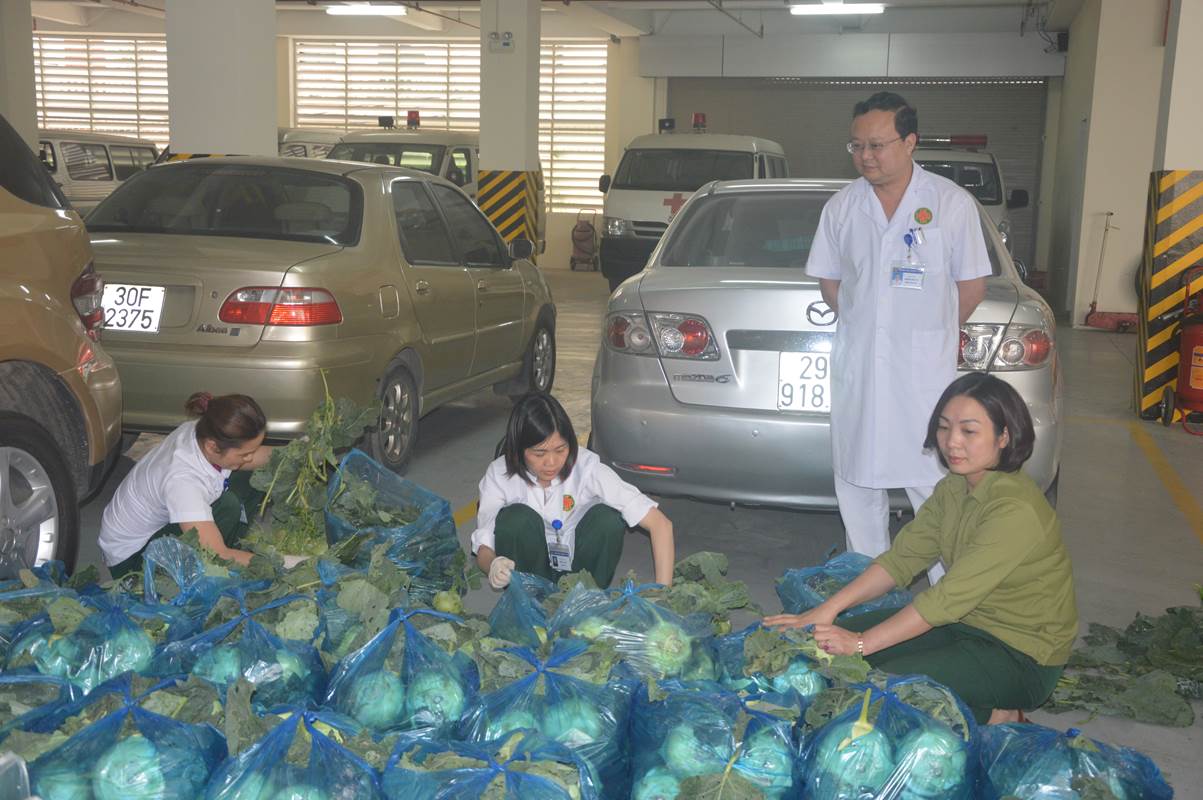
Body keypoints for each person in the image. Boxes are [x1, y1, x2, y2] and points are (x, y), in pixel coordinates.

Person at [765, 373, 1077, 725]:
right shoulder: (954, 488)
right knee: (828, 657)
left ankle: (1000, 715)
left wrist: (861, 643)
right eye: (944, 428)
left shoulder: (1014, 512)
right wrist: (827, 610)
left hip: (1021, 656)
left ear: (1004, 436)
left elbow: (944, 599)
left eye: (969, 431)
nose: (952, 442)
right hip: (963, 625)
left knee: (882, 689)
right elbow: (900, 561)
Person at [806, 91, 991, 579]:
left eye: (877, 145)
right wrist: (873, 327)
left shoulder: (951, 204)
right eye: (856, 146)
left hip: (923, 376)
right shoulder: (842, 207)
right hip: (860, 370)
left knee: (931, 481)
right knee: (857, 484)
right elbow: (831, 283)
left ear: (911, 142)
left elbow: (970, 288)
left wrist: (922, 334)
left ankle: (944, 596)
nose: (866, 156)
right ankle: (869, 589)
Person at [471, 392, 675, 590]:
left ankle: (587, 597)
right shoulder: (499, 474)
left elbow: (660, 524)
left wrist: (662, 597)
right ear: (519, 449)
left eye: (560, 450)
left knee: (608, 520)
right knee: (514, 519)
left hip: (580, 569)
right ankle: (529, 597)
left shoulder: (586, 467)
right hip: (529, 570)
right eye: (539, 453)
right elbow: (484, 547)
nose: (551, 462)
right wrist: (494, 566)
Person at [100, 392, 272, 577]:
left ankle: (234, 545)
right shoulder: (182, 481)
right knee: (227, 506)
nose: (249, 457)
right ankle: (215, 563)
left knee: (257, 474)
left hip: (155, 530)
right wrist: (281, 564)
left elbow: (257, 457)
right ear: (212, 447)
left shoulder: (202, 431)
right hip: (133, 561)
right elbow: (219, 553)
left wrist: (297, 453)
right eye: (243, 454)